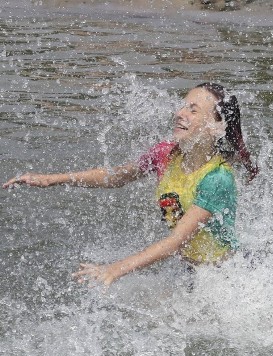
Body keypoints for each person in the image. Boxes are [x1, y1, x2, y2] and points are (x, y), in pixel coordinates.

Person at [4, 82, 257, 286]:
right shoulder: (165, 154)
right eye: (183, 106)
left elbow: (176, 241)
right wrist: (51, 179)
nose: (180, 114)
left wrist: (116, 269)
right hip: (190, 271)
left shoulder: (217, 179)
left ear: (216, 127)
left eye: (193, 110)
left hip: (226, 280)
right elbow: (117, 176)